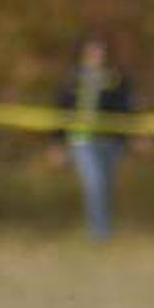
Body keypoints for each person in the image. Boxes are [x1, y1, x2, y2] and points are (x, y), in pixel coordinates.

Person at [53, 33, 133, 241]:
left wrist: (131, 137)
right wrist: (58, 143)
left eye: (99, 52)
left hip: (109, 141)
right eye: (91, 51)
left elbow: (126, 109)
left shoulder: (115, 79)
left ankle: (103, 225)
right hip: (82, 141)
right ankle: (98, 232)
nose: (95, 56)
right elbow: (62, 110)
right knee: (93, 183)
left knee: (105, 185)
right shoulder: (73, 80)